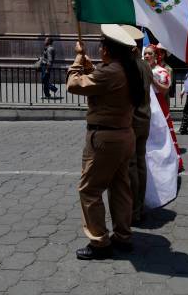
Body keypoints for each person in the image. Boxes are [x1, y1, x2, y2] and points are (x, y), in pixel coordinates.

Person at [66, 24, 145, 260]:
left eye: (102, 46)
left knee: (89, 190)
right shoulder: (130, 69)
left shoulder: (112, 72)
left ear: (108, 51)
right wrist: (90, 66)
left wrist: (78, 60)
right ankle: (123, 235)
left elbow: (74, 85)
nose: (100, 50)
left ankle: (99, 242)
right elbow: (101, 82)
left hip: (105, 139)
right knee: (120, 187)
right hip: (123, 135)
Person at [120, 25, 153, 225]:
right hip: (145, 120)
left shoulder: (129, 66)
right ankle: (139, 207)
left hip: (132, 121)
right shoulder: (145, 65)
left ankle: (133, 211)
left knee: (131, 166)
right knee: (140, 164)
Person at [144, 45, 184, 172]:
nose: (146, 56)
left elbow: (165, 90)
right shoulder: (141, 70)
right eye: (145, 54)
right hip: (144, 106)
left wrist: (152, 80)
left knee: (163, 134)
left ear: (156, 56)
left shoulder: (162, 71)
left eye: (150, 54)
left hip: (159, 105)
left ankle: (168, 162)